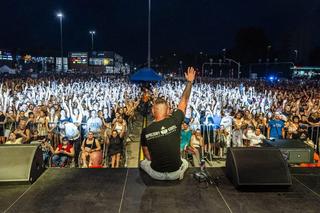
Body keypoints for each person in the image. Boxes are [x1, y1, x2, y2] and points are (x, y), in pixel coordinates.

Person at [140, 67, 195, 181]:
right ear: (168, 110)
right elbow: (184, 101)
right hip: (175, 173)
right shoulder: (175, 120)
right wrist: (189, 82)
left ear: (153, 111)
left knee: (143, 163)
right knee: (184, 162)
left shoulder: (146, 131)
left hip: (157, 174)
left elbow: (147, 156)